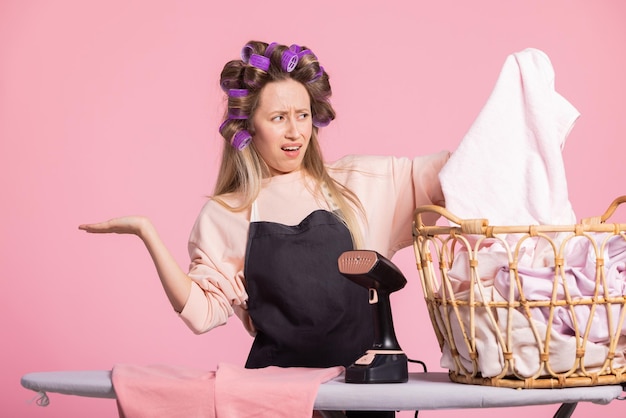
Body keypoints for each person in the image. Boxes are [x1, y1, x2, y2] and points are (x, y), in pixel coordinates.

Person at [79, 40, 449, 418]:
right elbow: (201, 313)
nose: (295, 133)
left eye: (302, 115)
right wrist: (148, 234)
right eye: (278, 118)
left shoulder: (360, 184)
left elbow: (454, 173)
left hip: (361, 397)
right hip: (273, 402)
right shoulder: (228, 213)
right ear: (248, 127)